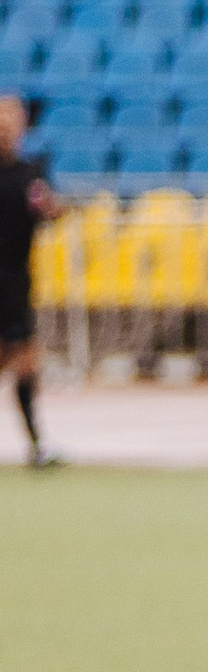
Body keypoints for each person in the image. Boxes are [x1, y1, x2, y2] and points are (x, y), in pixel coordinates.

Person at [0, 94, 59, 468]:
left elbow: (47, 214)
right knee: (19, 358)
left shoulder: (30, 172)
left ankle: (37, 447)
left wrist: (52, 209)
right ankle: (37, 447)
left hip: (17, 278)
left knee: (25, 363)